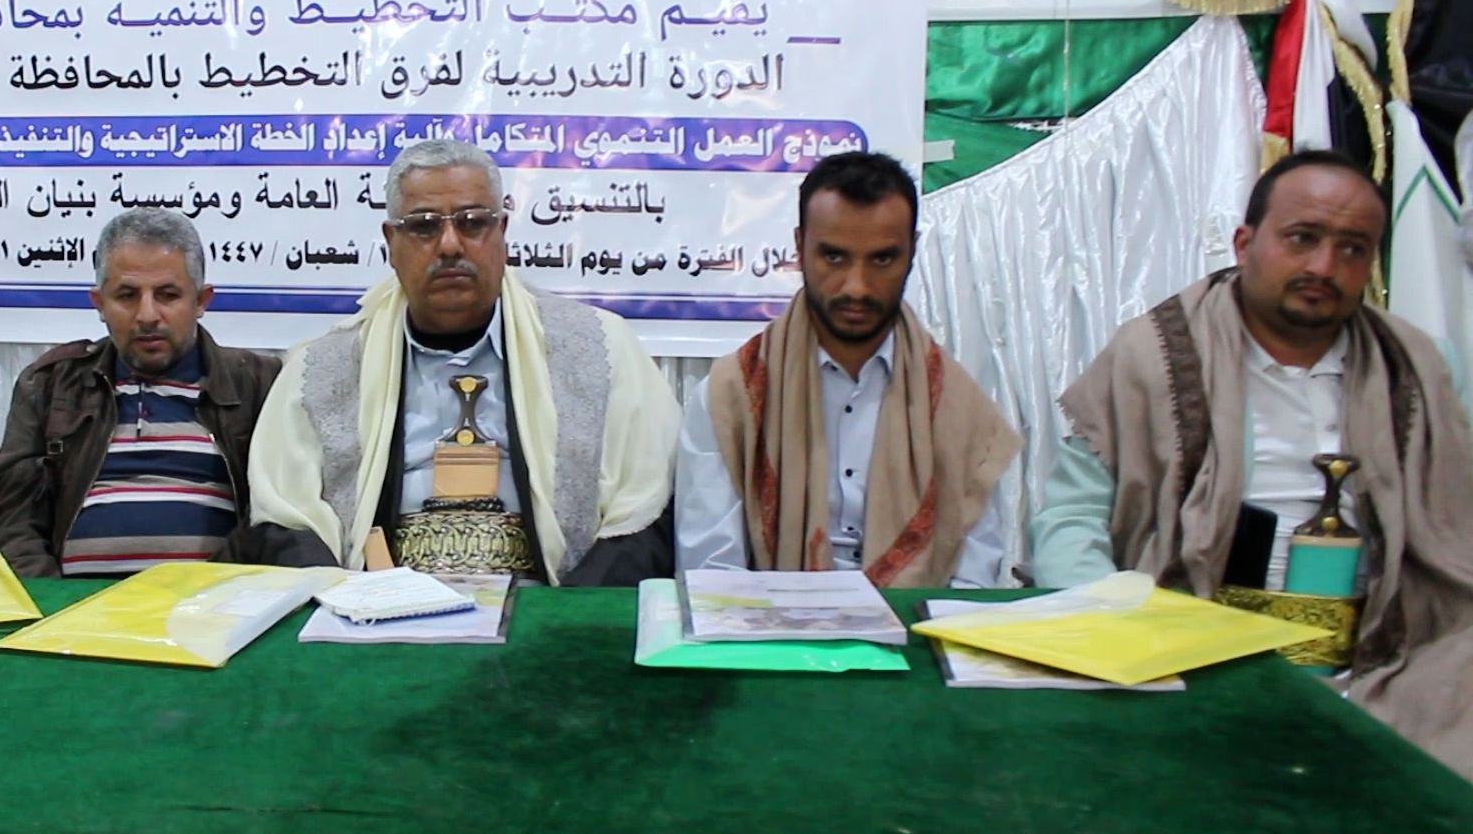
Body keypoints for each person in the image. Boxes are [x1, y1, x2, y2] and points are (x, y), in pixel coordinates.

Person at [1032, 150, 1473, 777]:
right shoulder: (1152, 357)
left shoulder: (1426, 368)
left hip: (1391, 659)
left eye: (1352, 249)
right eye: (1303, 238)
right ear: (1245, 243)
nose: (1323, 266)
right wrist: (1118, 630)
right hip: (1187, 649)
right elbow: (1070, 520)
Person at [247, 139, 680, 585]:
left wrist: (563, 615)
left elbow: (643, 511)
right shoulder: (322, 369)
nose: (450, 245)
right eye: (423, 227)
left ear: (502, 231)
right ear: (391, 242)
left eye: (473, 223)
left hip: (547, 603)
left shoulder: (598, 348)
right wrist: (345, 604)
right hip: (373, 610)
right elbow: (285, 518)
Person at [678, 152, 1018, 585]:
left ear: (912, 252)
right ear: (799, 246)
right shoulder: (731, 398)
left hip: (916, 621)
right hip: (771, 624)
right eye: (834, 258)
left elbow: (971, 587)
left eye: (882, 260)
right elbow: (713, 578)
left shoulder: (960, 409)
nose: (857, 286)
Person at [0, 209, 281, 576]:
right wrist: (51, 599)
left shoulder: (259, 385)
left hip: (210, 601)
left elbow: (276, 517)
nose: (147, 315)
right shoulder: (51, 384)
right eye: (127, 295)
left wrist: (216, 592)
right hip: (74, 606)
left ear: (201, 300)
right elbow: (12, 521)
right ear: (99, 304)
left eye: (167, 295)